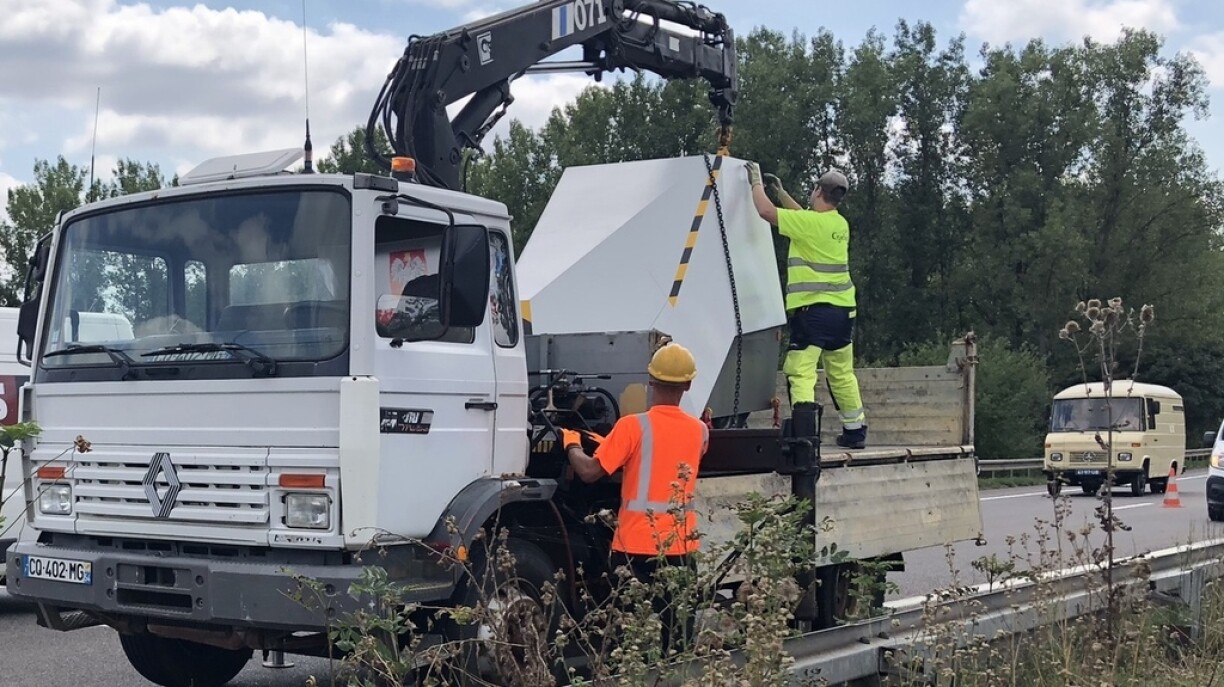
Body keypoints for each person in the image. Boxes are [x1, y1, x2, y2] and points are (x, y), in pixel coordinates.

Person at [561, 341, 709, 654]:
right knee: (677, 642)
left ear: (650, 382)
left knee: (628, 643)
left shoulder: (632, 426)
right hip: (681, 549)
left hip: (634, 552)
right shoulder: (700, 431)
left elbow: (589, 472)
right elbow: (664, 457)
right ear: (688, 384)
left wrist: (571, 443)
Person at [746, 163, 868, 449]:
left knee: (800, 370)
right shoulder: (839, 224)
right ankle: (854, 431)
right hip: (843, 311)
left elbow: (765, 212)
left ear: (817, 191)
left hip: (813, 312)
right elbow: (804, 218)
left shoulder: (812, 225)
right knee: (841, 373)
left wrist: (755, 183)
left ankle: (805, 435)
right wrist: (783, 193)